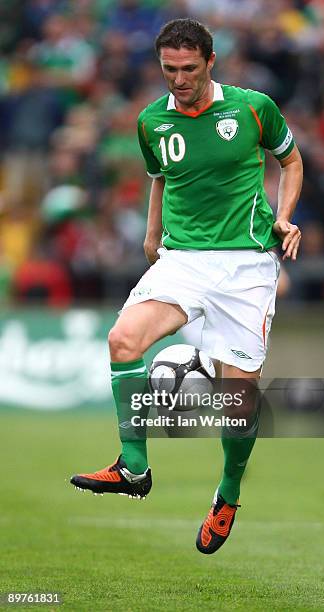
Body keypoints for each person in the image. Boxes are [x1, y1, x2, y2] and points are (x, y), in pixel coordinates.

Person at [71, 18, 303, 554]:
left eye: (189, 69)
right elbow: (160, 178)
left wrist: (285, 218)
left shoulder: (252, 107)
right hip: (184, 260)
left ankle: (226, 494)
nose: (178, 79)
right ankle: (133, 467)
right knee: (122, 341)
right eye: (169, 69)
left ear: (211, 62)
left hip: (246, 268)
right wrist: (153, 236)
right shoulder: (151, 121)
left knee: (238, 408)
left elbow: (291, 163)